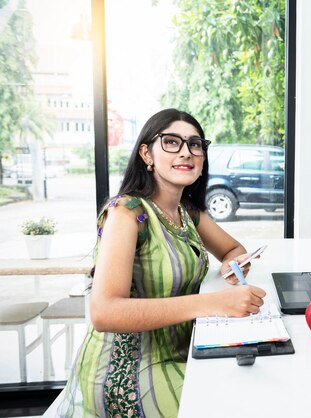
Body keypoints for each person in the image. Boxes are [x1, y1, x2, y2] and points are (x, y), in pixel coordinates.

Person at [57, 108, 266, 417]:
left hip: (180, 351)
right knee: (240, 402)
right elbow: (104, 312)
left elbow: (233, 248)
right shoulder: (127, 213)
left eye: (195, 144)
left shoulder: (188, 212)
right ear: (146, 153)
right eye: (172, 142)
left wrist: (233, 265)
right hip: (127, 373)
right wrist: (215, 302)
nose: (186, 152)